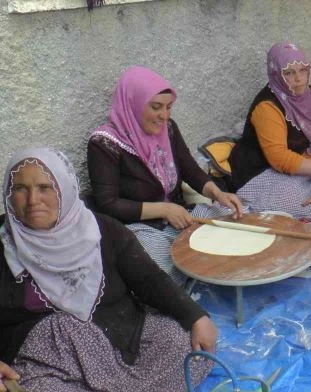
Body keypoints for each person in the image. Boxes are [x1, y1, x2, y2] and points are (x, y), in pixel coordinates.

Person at [0, 148, 216, 392]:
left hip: (119, 347)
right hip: (49, 372)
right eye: (20, 189)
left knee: (182, 344)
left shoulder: (103, 231)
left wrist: (196, 316)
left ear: (64, 187)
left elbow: (149, 280)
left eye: (45, 187)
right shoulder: (4, 249)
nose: (33, 200)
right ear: (8, 197)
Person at [87, 66, 243, 283]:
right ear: (133, 104)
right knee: (156, 269)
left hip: (179, 214)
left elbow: (190, 169)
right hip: (140, 228)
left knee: (233, 227)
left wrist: (218, 194)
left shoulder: (167, 129)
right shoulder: (104, 144)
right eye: (156, 107)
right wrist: (164, 210)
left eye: (169, 107)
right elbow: (108, 204)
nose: (164, 116)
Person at [229, 42, 311, 221]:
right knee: (310, 201)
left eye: (302, 70)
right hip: (268, 171)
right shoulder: (267, 106)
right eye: (289, 73)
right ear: (276, 74)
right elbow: (279, 157)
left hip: (310, 161)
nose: (299, 79)